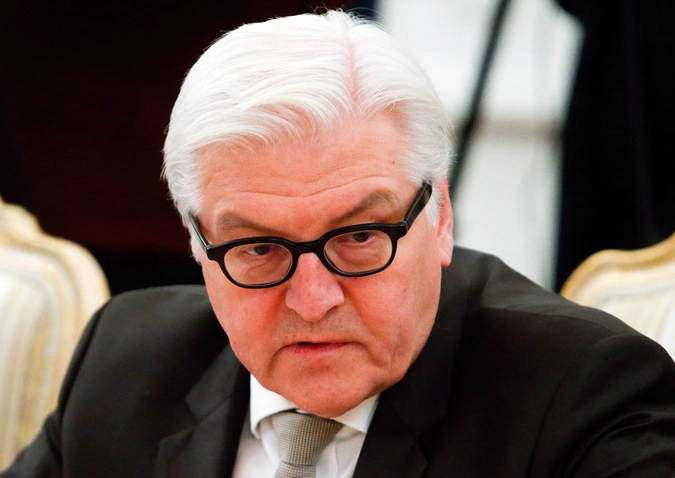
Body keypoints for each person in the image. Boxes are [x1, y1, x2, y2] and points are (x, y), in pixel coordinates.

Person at [3, 10, 675, 478]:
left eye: (359, 237)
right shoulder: (126, 359)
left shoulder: (580, 392)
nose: (313, 299)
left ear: (440, 216)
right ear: (196, 242)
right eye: (259, 248)